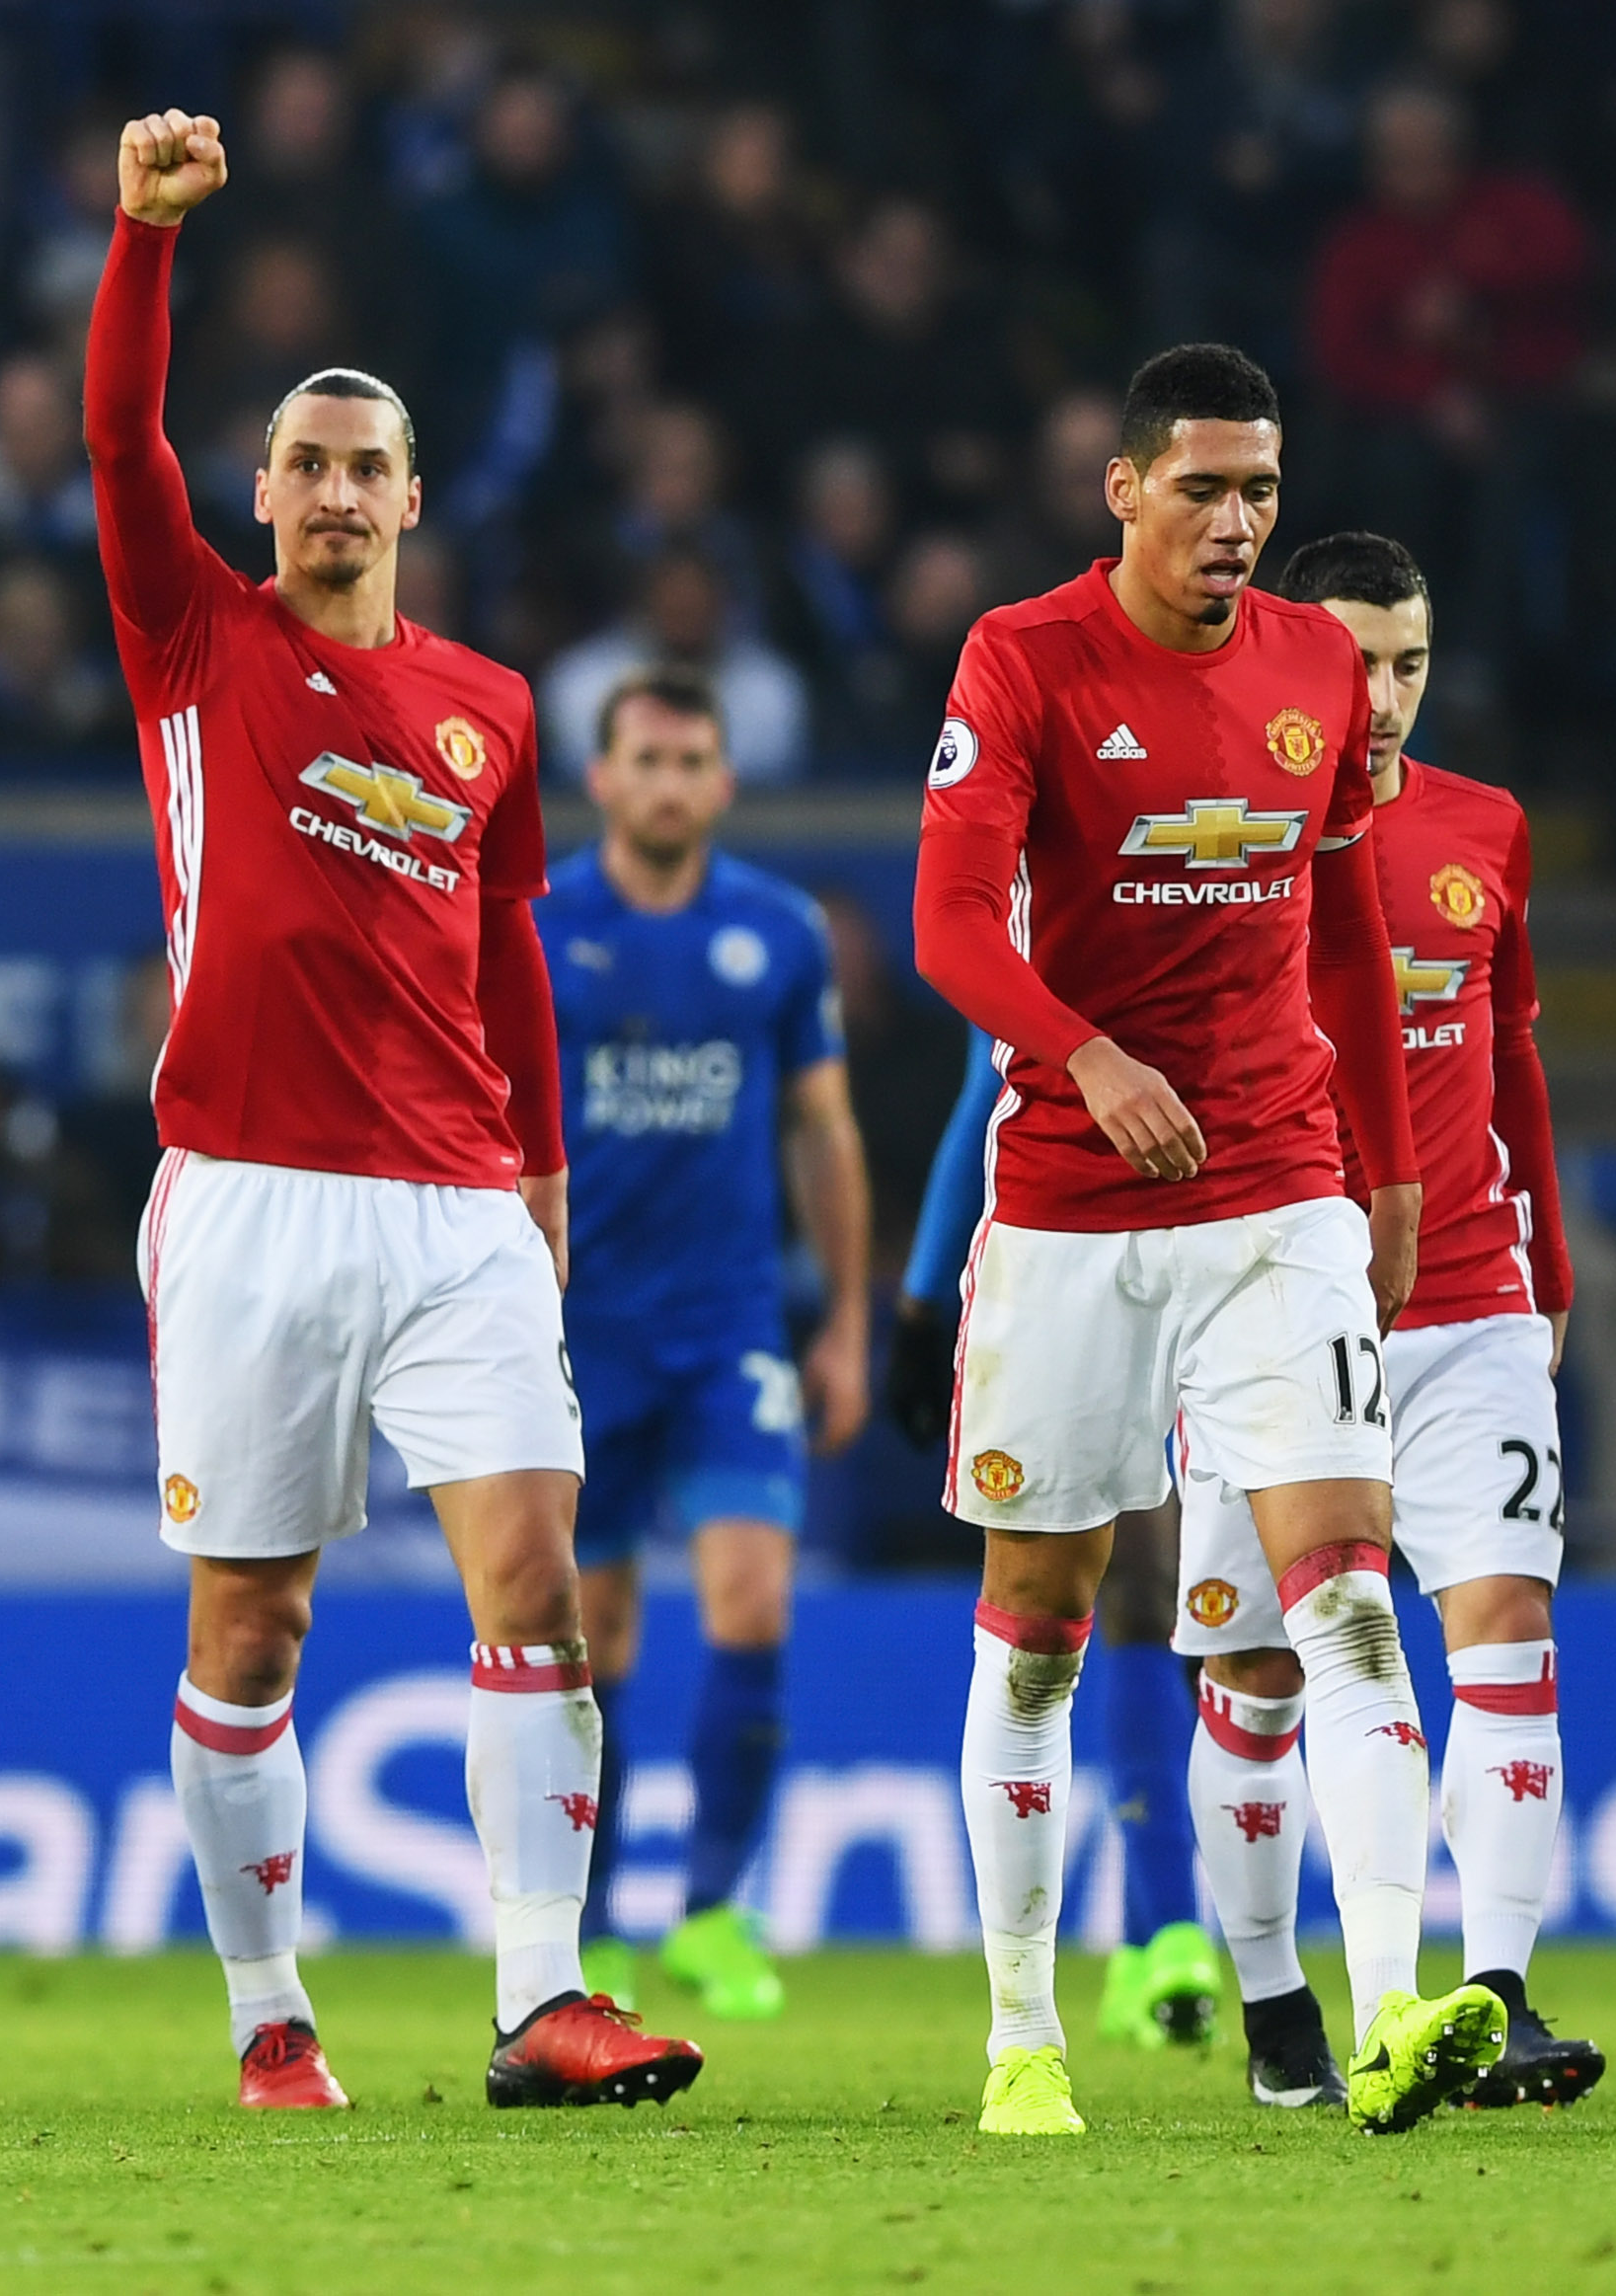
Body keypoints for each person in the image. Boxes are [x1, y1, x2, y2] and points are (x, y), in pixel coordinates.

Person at [90, 109, 702, 2114]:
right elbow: (111, 445)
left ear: (415, 495)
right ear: (259, 493)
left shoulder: (491, 707)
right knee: (251, 1621)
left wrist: (537, 1170)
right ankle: (272, 2009)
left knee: (535, 1574)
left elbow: (508, 945)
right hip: (253, 1197)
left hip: (455, 1204)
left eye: (368, 465)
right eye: (303, 463)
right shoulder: (198, 642)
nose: (336, 491)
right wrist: (145, 244)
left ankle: (545, 1996)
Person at [912, 343, 1500, 2139]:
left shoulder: (1318, 666)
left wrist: (1387, 1170)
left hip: (1276, 1187)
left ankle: (1397, 2003)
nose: (1237, 523)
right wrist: (1081, 1054)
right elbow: (945, 923)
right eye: (1203, 488)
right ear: (1122, 489)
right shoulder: (1022, 659)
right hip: (1075, 1203)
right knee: (1038, 1628)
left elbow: (1337, 918)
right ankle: (1023, 2034)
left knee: (1346, 1603)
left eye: (1258, 491)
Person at [1179, 530, 1600, 2113]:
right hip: (1268, 1298)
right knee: (1259, 1677)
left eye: (1410, 659)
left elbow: (1517, 1059)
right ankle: (1278, 1994)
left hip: (1472, 1297)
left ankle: (1490, 1990)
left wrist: (1551, 1263)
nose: (1384, 691)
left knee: (1505, 1631)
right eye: (1357, 656)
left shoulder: (1485, 828)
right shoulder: (1224, 825)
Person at [536, 663, 872, 2022]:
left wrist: (844, 1322)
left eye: (693, 762)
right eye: (647, 761)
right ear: (603, 777)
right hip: (583, 1329)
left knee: (753, 1599)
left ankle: (719, 1912)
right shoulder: (542, 923)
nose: (669, 784)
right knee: (588, 1630)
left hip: (730, 1322)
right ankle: (596, 1921)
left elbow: (825, 1132)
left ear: (724, 782)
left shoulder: (779, 934)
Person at [887, 1024, 1226, 2055]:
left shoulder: (1236, 891)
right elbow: (976, 1104)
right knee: (1130, 1585)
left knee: (1229, 1600)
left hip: (1234, 1248)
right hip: (1075, 1252)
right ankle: (1167, 1930)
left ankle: (1169, 1935)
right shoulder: (1032, 919)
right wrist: (921, 1297)